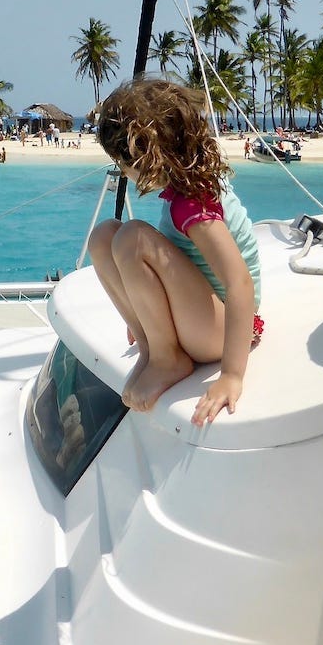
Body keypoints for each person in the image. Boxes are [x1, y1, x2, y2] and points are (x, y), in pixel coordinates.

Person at [87, 78, 262, 427]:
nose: (121, 170)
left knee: (133, 238)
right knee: (104, 235)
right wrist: (144, 311)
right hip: (203, 316)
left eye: (123, 160)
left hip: (225, 329)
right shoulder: (183, 185)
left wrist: (231, 375)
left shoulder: (193, 203)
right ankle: (155, 348)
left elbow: (239, 283)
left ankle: (168, 359)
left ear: (148, 153)